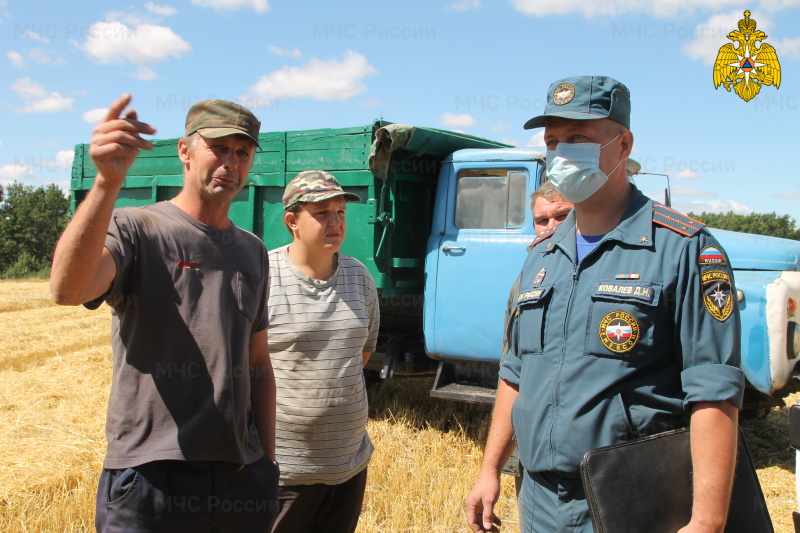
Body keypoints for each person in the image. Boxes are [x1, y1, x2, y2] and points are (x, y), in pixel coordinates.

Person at [466, 76, 744, 533]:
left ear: (623, 144)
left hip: (630, 497)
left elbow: (713, 390)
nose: (560, 154)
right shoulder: (542, 254)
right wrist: (490, 468)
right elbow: (516, 374)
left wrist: (707, 521)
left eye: (577, 138)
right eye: (553, 141)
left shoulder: (684, 248)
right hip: (537, 499)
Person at [50, 95, 279, 532]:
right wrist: (105, 184)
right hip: (149, 475)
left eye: (242, 151)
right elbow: (67, 289)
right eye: (219, 147)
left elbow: (257, 362)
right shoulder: (137, 228)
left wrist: (266, 460)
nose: (231, 161)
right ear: (185, 150)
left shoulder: (252, 251)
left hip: (239, 477)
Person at [267, 170, 380, 533]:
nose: (335, 223)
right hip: (283, 472)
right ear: (292, 222)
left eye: (341, 213)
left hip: (348, 466)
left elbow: (361, 354)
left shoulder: (359, 276)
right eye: (322, 214)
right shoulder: (262, 276)